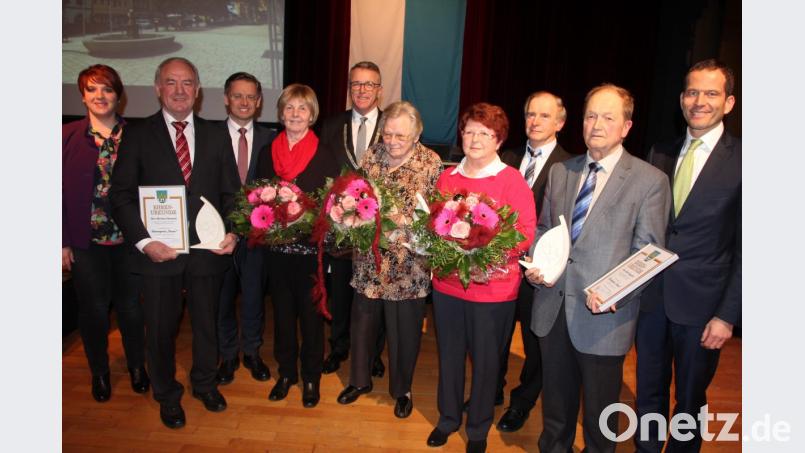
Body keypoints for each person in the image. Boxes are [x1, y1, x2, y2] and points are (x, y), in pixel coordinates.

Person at [526, 84, 671, 452]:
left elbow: (649, 252)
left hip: (603, 317)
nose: (597, 124)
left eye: (608, 117)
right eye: (591, 115)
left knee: (599, 420)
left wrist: (613, 294)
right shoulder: (562, 171)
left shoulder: (649, 181)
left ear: (626, 127)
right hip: (553, 307)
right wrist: (537, 263)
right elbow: (545, 229)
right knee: (556, 413)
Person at [110, 57, 241, 429]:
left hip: (207, 251)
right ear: (157, 88)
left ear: (198, 91)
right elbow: (120, 195)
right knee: (160, 327)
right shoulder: (136, 134)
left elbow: (232, 194)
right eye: (171, 82)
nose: (180, 90)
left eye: (187, 83)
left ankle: (204, 383)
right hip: (157, 253)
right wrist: (144, 241)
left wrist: (232, 231)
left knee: (206, 325)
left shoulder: (216, 134)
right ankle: (166, 394)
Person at [635, 59, 741, 453]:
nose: (700, 101)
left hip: (704, 308)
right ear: (681, 99)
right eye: (693, 92)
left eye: (711, 93)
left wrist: (727, 315)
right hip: (652, 300)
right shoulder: (659, 152)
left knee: (690, 402)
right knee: (648, 395)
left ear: (728, 103)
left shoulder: (746, 160)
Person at [426, 103, 536, 453]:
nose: (475, 139)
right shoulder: (448, 178)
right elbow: (433, 225)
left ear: (499, 139)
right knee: (450, 355)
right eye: (469, 131)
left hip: (493, 291)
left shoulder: (511, 180)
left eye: (484, 133)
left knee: (488, 363)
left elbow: (524, 233)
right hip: (448, 286)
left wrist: (483, 256)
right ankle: (447, 419)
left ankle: (477, 430)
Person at [335, 101, 442, 418]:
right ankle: (359, 380)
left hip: (409, 267)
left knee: (404, 333)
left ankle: (402, 390)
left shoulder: (431, 164)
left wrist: (405, 227)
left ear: (417, 134)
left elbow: (436, 218)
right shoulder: (373, 155)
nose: (392, 142)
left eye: (401, 136)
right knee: (363, 325)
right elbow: (359, 196)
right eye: (388, 134)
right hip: (370, 260)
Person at [62, 64, 148, 403]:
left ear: (118, 95)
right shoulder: (65, 136)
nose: (100, 96)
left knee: (130, 308)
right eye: (92, 89)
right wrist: (61, 241)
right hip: (86, 242)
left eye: (107, 89)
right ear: (82, 95)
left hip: (130, 240)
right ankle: (99, 372)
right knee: (93, 310)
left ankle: (138, 367)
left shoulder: (137, 136)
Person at [257, 83, 338, 408]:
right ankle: (286, 373)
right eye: (289, 107)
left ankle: (310, 378)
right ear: (281, 113)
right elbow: (256, 198)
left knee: (310, 317)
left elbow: (331, 204)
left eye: (302, 108)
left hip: (308, 253)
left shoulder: (325, 153)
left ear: (312, 114)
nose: (295, 114)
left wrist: (304, 214)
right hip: (276, 251)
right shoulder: (267, 152)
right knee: (283, 315)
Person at [496, 91, 572, 432]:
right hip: (498, 269)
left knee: (534, 344)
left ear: (560, 122)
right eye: (530, 114)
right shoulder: (505, 158)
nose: (535, 121)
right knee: (494, 337)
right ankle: (491, 390)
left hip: (536, 273)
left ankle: (522, 402)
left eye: (544, 115)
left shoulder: (570, 167)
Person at [318, 61, 386, 377]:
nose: (362, 90)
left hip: (379, 229)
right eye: (356, 84)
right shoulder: (332, 125)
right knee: (341, 291)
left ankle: (372, 354)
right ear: (349, 88)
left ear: (379, 90)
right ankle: (340, 347)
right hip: (341, 228)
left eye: (369, 84)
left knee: (374, 294)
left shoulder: (392, 125)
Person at [216, 72, 276, 385]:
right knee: (223, 296)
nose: (244, 102)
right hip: (218, 233)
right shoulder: (209, 136)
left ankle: (252, 351)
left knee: (253, 295)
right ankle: (227, 355)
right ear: (226, 98)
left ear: (259, 101)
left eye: (250, 96)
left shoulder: (270, 138)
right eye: (237, 95)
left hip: (257, 235)